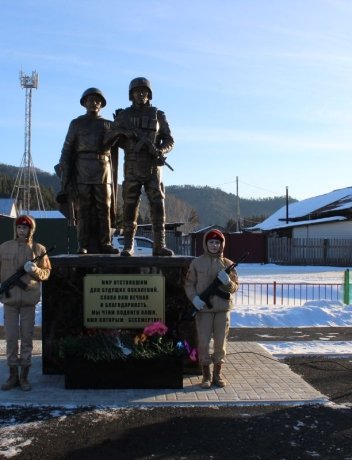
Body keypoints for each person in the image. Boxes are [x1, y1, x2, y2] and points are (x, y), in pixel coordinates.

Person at [106, 77, 174, 257]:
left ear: (149, 94)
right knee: (129, 206)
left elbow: (169, 140)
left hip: (153, 167)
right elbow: (111, 140)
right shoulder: (123, 116)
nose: (141, 94)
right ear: (131, 94)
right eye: (137, 91)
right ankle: (128, 245)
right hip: (132, 166)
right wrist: (121, 131)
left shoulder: (158, 114)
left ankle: (159, 245)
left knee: (158, 206)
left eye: (144, 91)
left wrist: (160, 149)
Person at [0, 215, 51, 391]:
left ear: (31, 230)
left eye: (25, 228)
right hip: (9, 300)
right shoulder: (4, 248)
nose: (21, 230)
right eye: (19, 227)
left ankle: (24, 377)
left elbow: (46, 274)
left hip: (28, 301)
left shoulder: (39, 249)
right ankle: (12, 375)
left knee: (27, 339)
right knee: (10, 339)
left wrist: (35, 270)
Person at [57, 87, 119, 255]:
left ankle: (105, 243)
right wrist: (64, 170)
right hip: (81, 169)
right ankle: (82, 244)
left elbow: (121, 142)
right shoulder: (76, 123)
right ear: (84, 103)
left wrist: (121, 125)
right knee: (82, 209)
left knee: (104, 208)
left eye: (97, 100)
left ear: (102, 104)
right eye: (90, 100)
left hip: (103, 169)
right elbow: (67, 148)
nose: (94, 103)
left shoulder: (109, 124)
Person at [184, 229, 239, 389]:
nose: (214, 245)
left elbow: (234, 287)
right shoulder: (197, 263)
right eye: (211, 242)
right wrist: (194, 298)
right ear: (206, 244)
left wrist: (228, 282)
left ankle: (217, 374)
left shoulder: (228, 264)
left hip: (222, 310)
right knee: (203, 342)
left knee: (220, 343)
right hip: (204, 311)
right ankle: (206, 375)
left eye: (217, 242)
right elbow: (189, 284)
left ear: (222, 244)